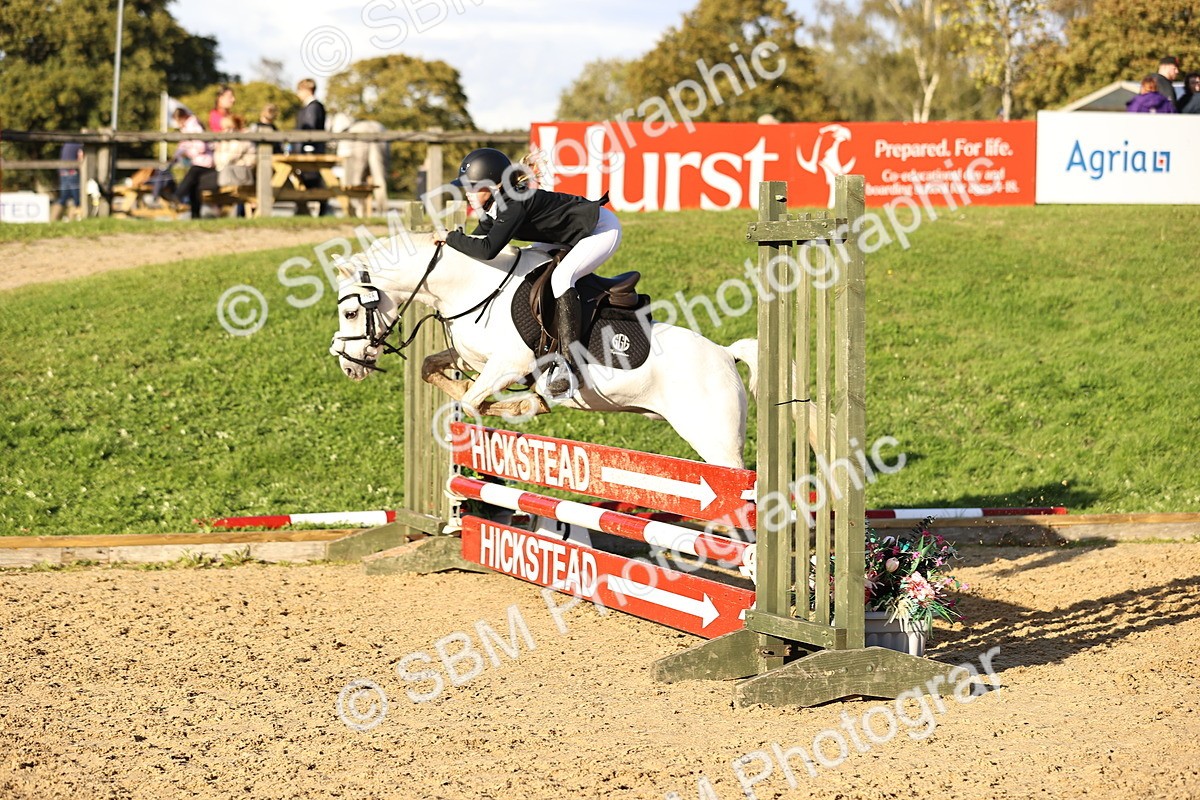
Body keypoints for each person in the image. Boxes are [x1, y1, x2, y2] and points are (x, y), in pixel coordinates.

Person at [435, 147, 622, 397]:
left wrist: (451, 237)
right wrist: (447, 251)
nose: (467, 194)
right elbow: (476, 243)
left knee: (562, 278)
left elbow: (488, 249)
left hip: (599, 230)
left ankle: (569, 364)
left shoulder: (513, 204)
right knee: (530, 264)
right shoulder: (495, 207)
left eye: (474, 187)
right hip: (561, 236)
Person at [171, 107, 216, 218]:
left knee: (191, 178)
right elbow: (183, 145)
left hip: (204, 162)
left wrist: (187, 152)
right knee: (194, 187)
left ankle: (177, 196)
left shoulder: (193, 127)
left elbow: (200, 146)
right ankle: (195, 214)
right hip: (199, 161)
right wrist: (178, 154)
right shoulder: (188, 128)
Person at [53, 139, 83, 221]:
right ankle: (72, 219)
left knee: (62, 198)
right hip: (73, 172)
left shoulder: (66, 144)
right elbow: (81, 159)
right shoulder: (80, 145)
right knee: (76, 199)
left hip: (63, 172)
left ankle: (53, 219)